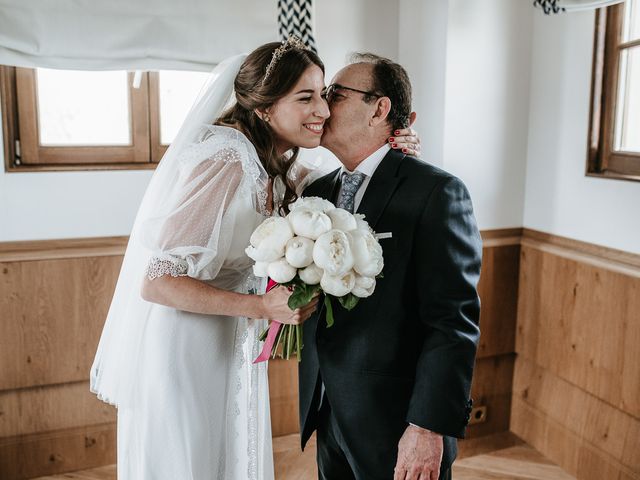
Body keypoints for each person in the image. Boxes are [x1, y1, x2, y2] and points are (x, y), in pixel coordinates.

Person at [90, 39, 418, 480]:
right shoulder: (225, 158)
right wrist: (261, 306)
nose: (322, 109)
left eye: (324, 94)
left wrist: (394, 145)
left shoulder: (276, 165)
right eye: (306, 97)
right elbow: (156, 281)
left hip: (227, 338)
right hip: (185, 345)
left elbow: (348, 180)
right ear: (264, 107)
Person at [298, 53, 482, 480]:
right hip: (328, 412)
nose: (322, 107)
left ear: (379, 109)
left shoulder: (436, 192)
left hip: (397, 420)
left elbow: (452, 322)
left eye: (335, 95)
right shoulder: (318, 193)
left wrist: (427, 427)